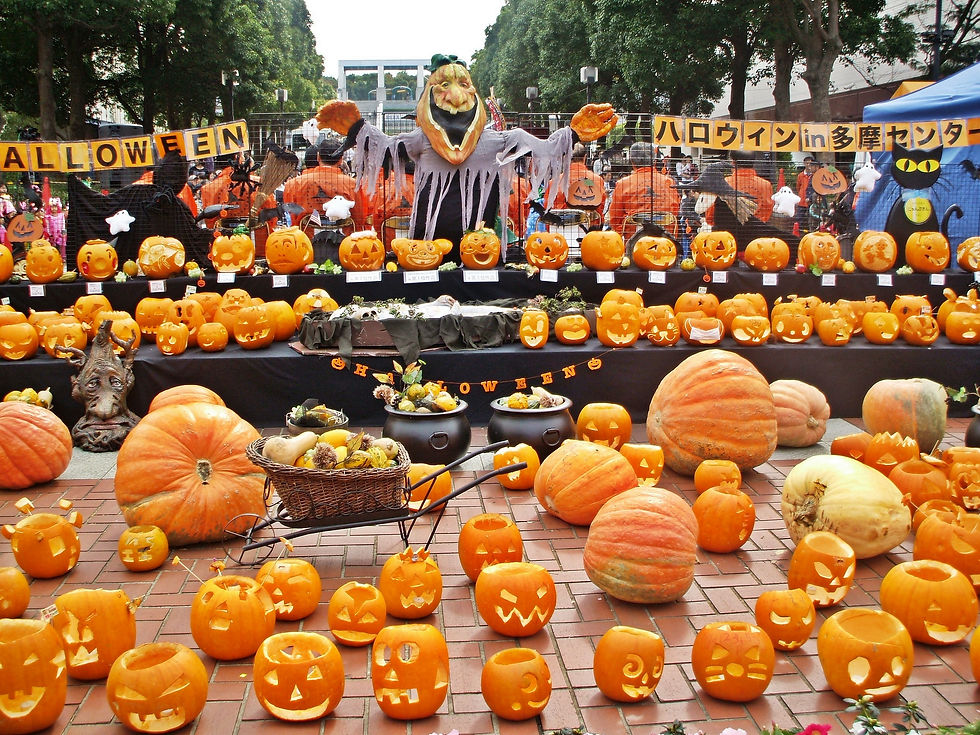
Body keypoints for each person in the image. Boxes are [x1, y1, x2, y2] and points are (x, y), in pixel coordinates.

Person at [315, 54, 616, 263]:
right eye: (444, 86)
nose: (455, 96)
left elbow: (544, 149)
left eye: (462, 86)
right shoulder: (422, 140)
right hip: (425, 248)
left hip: (479, 247)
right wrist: (356, 128)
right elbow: (387, 148)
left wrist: (573, 133)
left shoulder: (496, 140)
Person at [282, 142, 366, 240]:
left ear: (318, 157)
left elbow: (292, 218)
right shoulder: (353, 185)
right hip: (344, 244)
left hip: (305, 242)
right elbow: (360, 218)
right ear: (341, 160)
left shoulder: (294, 184)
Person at [607, 142, 680, 240]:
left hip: (633, 244)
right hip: (665, 243)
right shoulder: (669, 182)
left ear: (632, 161)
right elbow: (674, 212)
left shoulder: (623, 184)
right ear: (654, 161)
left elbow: (615, 219)